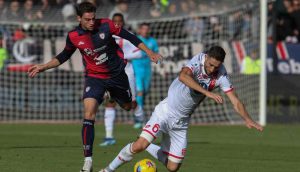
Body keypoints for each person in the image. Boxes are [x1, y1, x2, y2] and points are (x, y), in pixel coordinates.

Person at [27, 2, 162, 172]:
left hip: (116, 76)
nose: (92, 22)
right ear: (79, 18)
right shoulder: (74, 36)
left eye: (93, 18)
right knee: (89, 113)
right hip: (94, 78)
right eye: (87, 19)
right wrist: (42, 66)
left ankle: (112, 95)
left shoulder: (106, 25)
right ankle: (88, 160)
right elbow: (63, 56)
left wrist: (149, 52)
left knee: (128, 106)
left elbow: (131, 37)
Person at [99, 46, 263, 172]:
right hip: (165, 112)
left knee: (172, 167)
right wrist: (207, 92)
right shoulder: (198, 60)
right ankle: (108, 169)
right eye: (211, 64)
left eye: (216, 66)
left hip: (181, 122)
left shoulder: (221, 75)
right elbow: (183, 76)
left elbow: (235, 100)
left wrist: (247, 119)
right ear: (206, 57)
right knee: (138, 146)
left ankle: (149, 145)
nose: (213, 69)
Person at [99, 13, 142, 147]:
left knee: (132, 103)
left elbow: (139, 53)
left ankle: (143, 123)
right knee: (109, 102)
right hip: (110, 74)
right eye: (115, 21)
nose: (117, 24)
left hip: (127, 72)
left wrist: (122, 55)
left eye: (119, 21)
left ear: (123, 22)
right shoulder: (105, 35)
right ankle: (109, 136)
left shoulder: (127, 36)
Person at [132, 23, 159, 129]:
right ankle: (139, 119)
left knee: (144, 93)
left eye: (147, 29)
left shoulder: (152, 41)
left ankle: (139, 113)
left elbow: (156, 54)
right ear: (140, 30)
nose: (146, 31)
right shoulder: (135, 40)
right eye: (143, 29)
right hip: (136, 69)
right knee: (140, 92)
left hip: (147, 70)